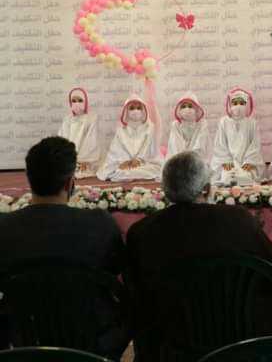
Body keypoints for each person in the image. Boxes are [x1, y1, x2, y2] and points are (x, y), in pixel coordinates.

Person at [126, 151, 272, 361]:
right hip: (241, 346)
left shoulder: (142, 232)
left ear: (165, 191)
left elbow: (134, 302)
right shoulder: (239, 221)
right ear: (208, 189)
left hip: (171, 349)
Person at [0, 137, 128, 357]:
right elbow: (116, 276)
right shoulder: (100, 225)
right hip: (92, 347)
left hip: (22, 346)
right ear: (70, 184)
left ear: (29, 180)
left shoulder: (4, 229)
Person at [96, 94, 162, 181]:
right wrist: (124, 162)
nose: (135, 111)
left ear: (143, 111)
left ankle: (130, 173)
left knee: (155, 169)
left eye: (139, 108)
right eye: (132, 108)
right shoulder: (121, 131)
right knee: (114, 170)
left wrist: (139, 160)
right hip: (125, 165)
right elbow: (115, 152)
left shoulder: (150, 129)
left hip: (144, 164)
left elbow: (151, 152)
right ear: (126, 111)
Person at [210, 87, 265, 185]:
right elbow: (220, 144)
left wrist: (250, 161)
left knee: (245, 178)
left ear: (247, 105)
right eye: (235, 103)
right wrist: (225, 160)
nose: (238, 106)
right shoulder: (224, 122)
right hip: (229, 164)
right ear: (230, 105)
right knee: (227, 178)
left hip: (245, 164)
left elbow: (255, 145)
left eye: (242, 103)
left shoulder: (252, 123)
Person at [58, 87, 100, 179]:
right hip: (69, 156)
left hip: (86, 159)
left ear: (86, 101)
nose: (77, 103)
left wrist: (82, 159)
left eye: (80, 100)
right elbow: (62, 139)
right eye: (73, 101)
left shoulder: (92, 117)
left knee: (81, 171)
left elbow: (91, 141)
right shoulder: (67, 119)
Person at [165, 92, 210, 162]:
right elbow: (175, 146)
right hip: (179, 160)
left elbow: (200, 146)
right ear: (179, 110)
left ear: (196, 109)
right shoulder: (176, 125)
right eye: (183, 107)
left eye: (190, 106)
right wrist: (184, 160)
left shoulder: (202, 124)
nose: (187, 109)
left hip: (197, 161)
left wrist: (191, 159)